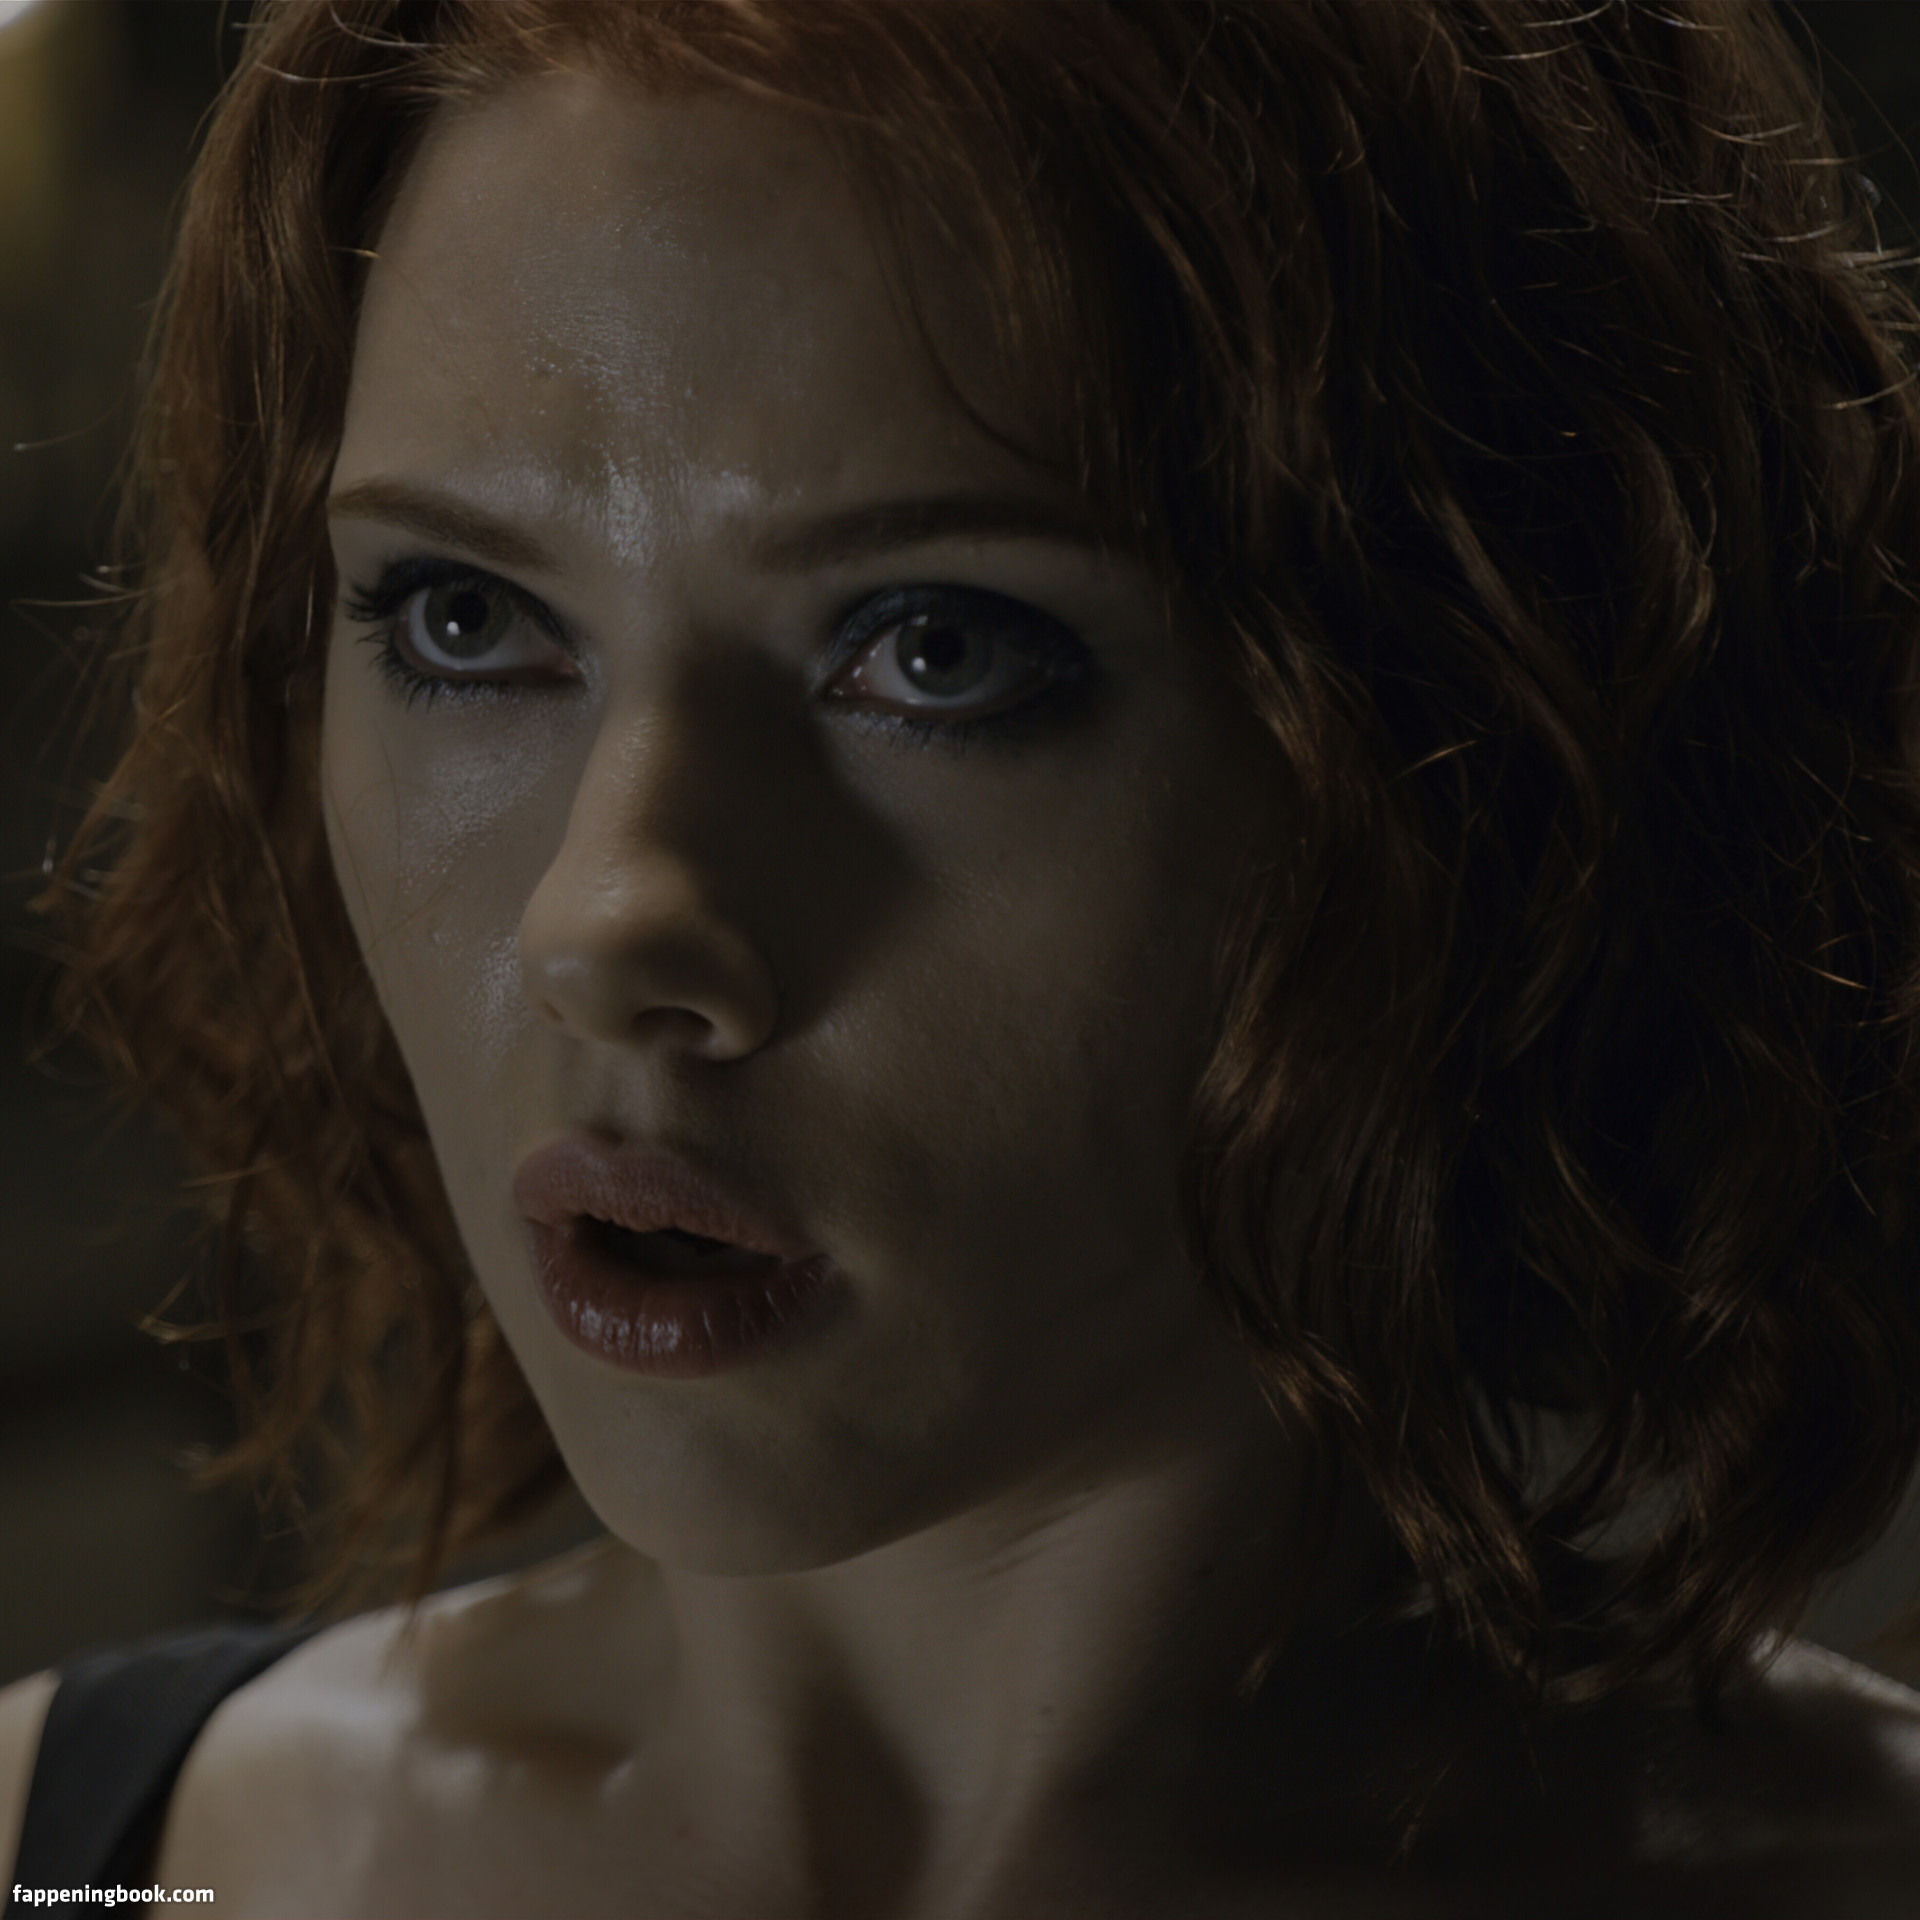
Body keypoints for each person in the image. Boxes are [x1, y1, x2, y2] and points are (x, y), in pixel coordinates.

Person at [6, 0, 1920, 1911]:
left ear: (1492, 744)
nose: (602, 920)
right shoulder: (76, 1851)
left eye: (936, 650)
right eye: (459, 615)